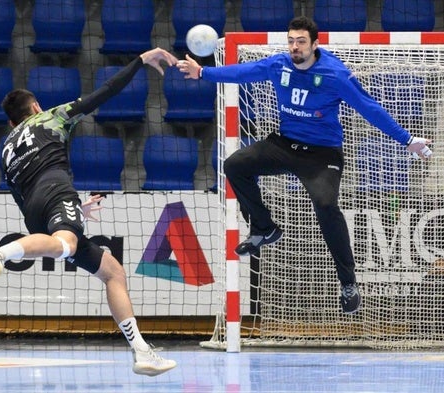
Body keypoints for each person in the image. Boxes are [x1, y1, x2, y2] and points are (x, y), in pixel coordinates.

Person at [177, 16, 433, 315]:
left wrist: (407, 140)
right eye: (291, 41)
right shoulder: (278, 65)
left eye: (301, 41)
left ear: (315, 44)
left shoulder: (335, 74)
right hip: (285, 145)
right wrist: (203, 72)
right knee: (235, 165)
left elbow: (370, 108)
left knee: (326, 205)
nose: (294, 47)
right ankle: (264, 227)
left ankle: (348, 282)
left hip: (323, 155)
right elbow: (243, 72)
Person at [0, 48, 178, 376]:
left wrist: (71, 209)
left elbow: (24, 198)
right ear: (35, 107)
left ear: (11, 122)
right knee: (65, 243)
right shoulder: (50, 116)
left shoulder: (5, 148)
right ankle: (0, 252)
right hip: (55, 190)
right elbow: (105, 92)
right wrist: (139, 60)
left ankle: (141, 351)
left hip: (35, 208)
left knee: (112, 272)